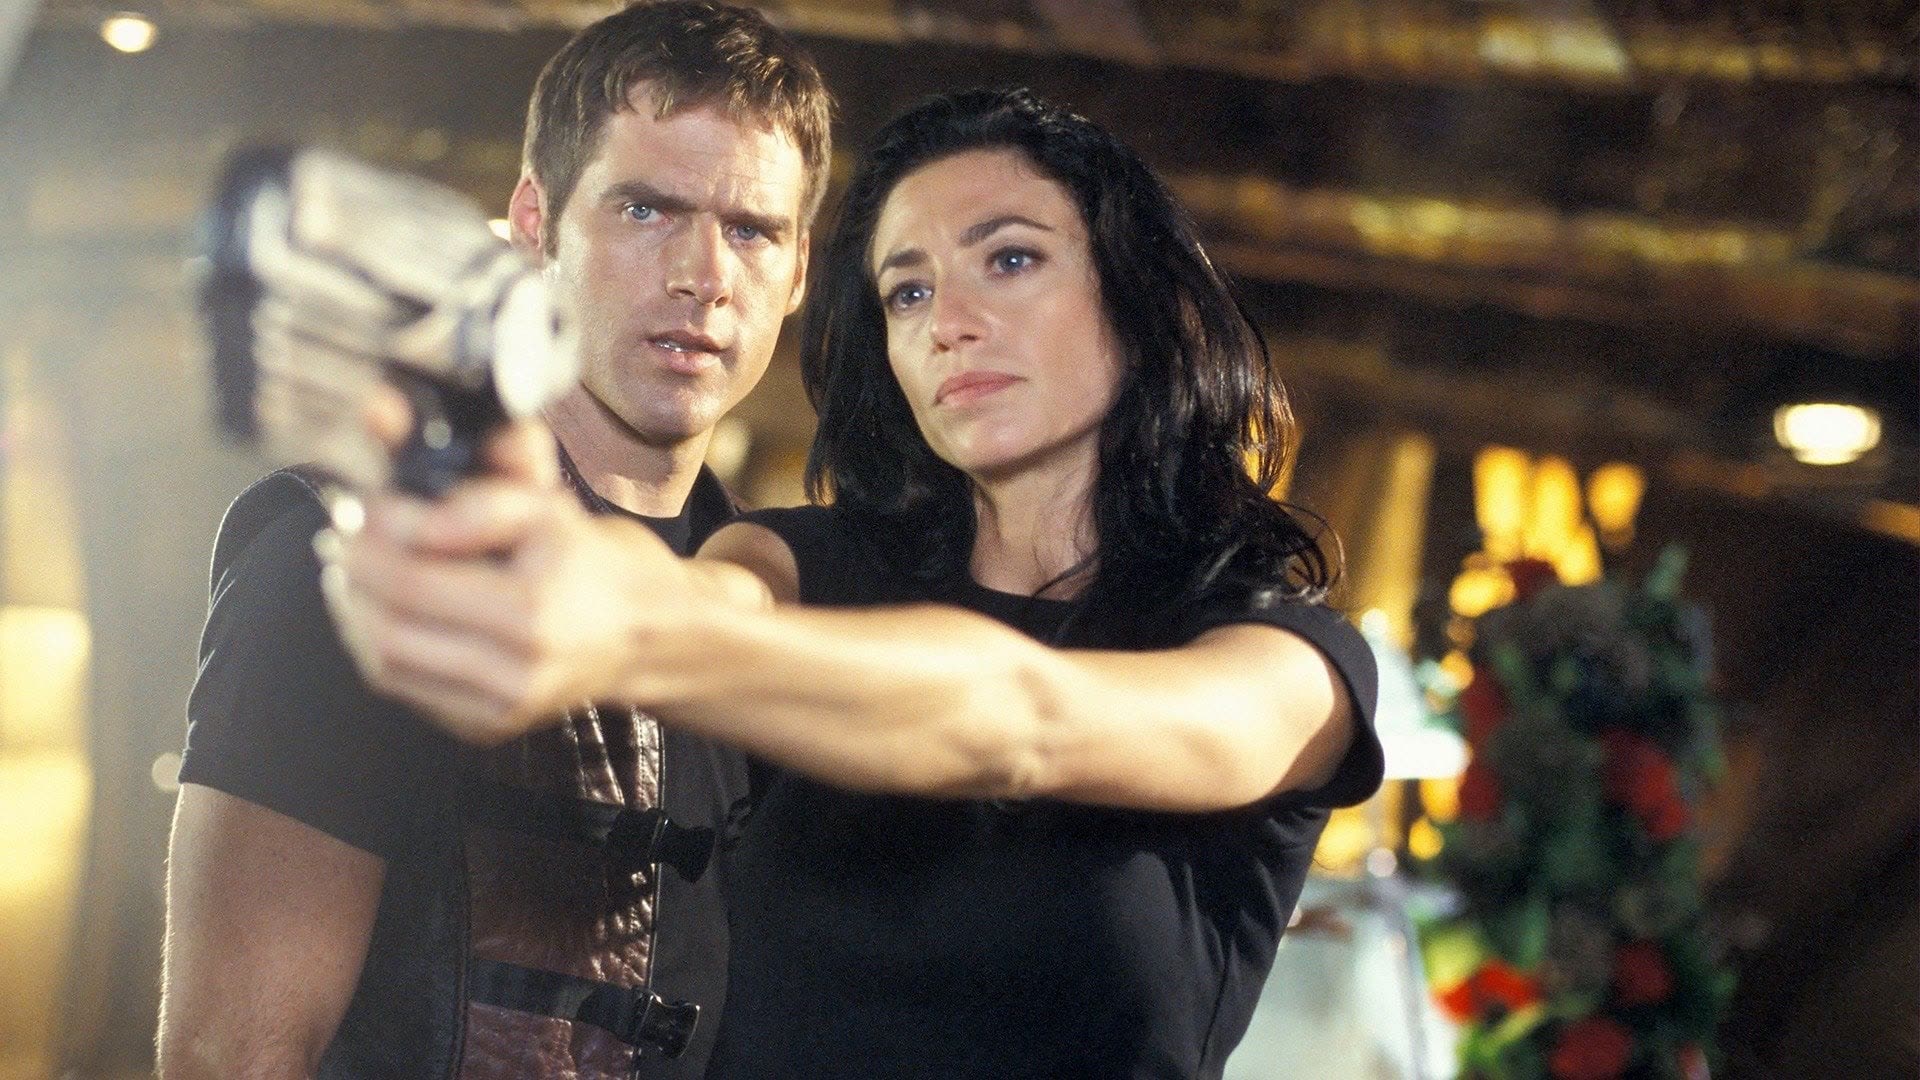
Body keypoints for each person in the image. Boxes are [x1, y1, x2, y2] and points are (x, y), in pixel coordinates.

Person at [327, 88, 1386, 1078]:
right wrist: (551, 557)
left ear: (1138, 295)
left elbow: (1026, 722)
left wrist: (633, 633)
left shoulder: (1289, 666)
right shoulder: (793, 565)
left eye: (1010, 259)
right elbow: (701, 607)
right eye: (908, 290)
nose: (948, 321)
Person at [157, 4, 830, 1077]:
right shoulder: (356, 550)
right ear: (534, 221)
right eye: (646, 208)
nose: (703, 274)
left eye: (753, 230)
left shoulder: (776, 594)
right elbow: (232, 1053)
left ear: (798, 275)